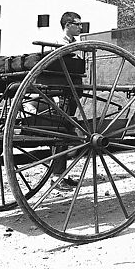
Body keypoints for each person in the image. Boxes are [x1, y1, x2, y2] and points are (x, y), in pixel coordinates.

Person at [50, 11, 83, 191]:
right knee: (61, 134)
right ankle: (57, 177)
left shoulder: (72, 43)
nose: (80, 27)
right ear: (68, 25)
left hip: (69, 92)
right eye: (77, 24)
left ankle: (61, 174)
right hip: (63, 92)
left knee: (65, 132)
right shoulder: (60, 42)